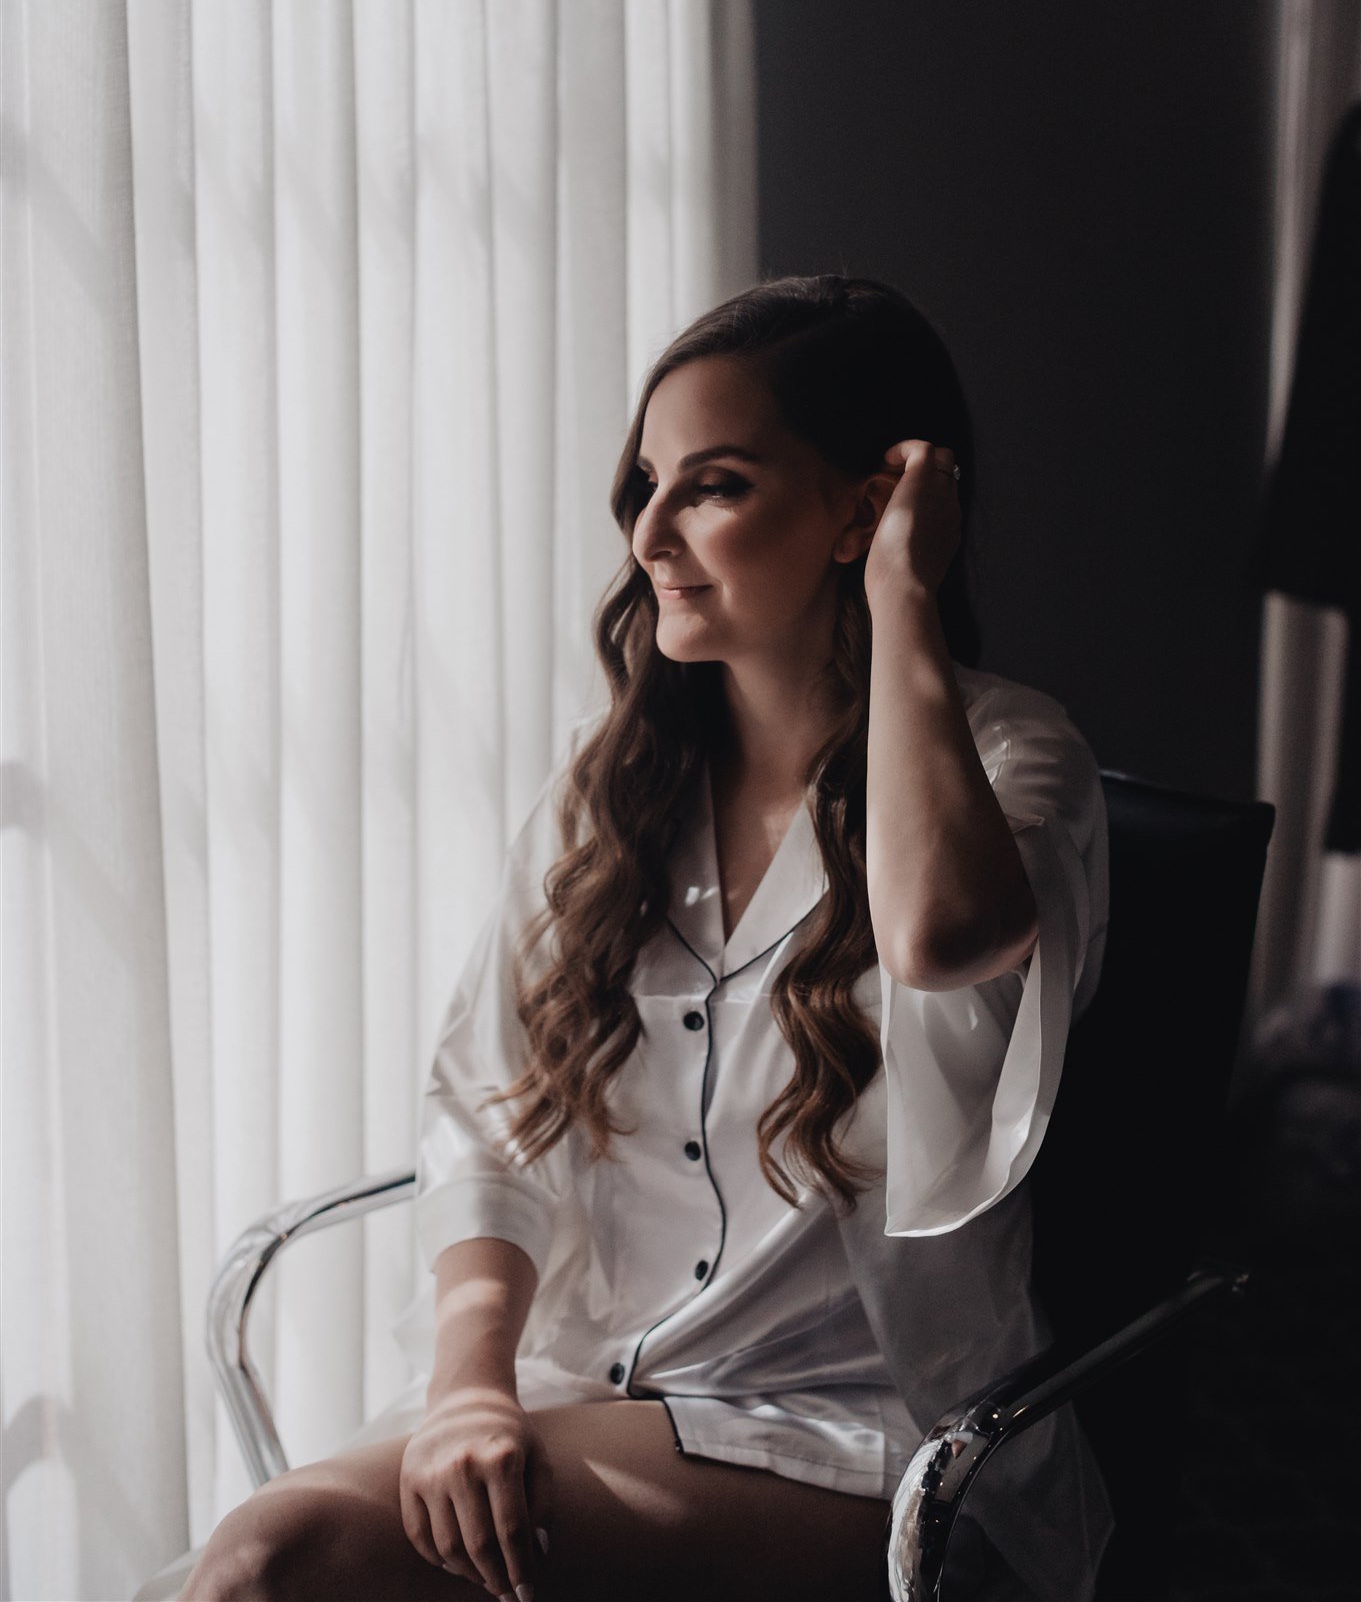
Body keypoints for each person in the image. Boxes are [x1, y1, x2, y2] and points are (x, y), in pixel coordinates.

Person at [183, 274, 1113, 1602]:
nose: (651, 534)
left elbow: (937, 934)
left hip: (865, 1445)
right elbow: (489, 1116)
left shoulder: (1020, 758)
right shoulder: (612, 786)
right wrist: (465, 1389)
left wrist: (906, 595)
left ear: (866, 504)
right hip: (585, 1388)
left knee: (279, 1564)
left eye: (714, 486)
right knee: (253, 1565)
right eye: (648, 485)